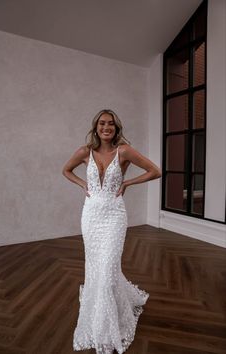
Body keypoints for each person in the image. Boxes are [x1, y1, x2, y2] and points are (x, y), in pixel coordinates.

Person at [62, 109, 161, 354]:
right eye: (102, 123)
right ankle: (99, 314)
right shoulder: (85, 152)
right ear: (96, 127)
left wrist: (128, 182)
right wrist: (83, 183)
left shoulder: (124, 151)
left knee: (108, 267)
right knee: (96, 266)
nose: (106, 127)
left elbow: (155, 171)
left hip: (114, 216)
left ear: (116, 128)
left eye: (111, 124)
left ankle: (107, 329)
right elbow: (66, 170)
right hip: (91, 215)